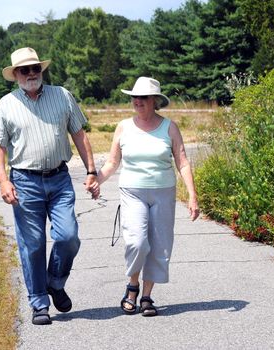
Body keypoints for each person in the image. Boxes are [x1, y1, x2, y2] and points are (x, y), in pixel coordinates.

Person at [0, 47, 100, 325]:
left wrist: (92, 170)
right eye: (25, 70)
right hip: (25, 182)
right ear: (15, 75)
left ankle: (55, 282)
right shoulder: (6, 105)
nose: (32, 73)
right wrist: (3, 181)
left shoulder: (62, 96)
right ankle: (39, 302)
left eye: (36, 68)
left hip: (59, 178)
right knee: (32, 245)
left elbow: (79, 135)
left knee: (68, 236)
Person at [92, 76, 199, 317]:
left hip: (163, 192)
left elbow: (182, 162)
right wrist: (96, 180)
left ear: (155, 101)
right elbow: (112, 162)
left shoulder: (169, 127)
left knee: (160, 246)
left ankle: (147, 297)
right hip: (132, 191)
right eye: (134, 97)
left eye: (143, 97)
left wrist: (192, 196)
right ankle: (132, 286)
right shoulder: (123, 127)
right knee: (137, 242)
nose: (137, 101)